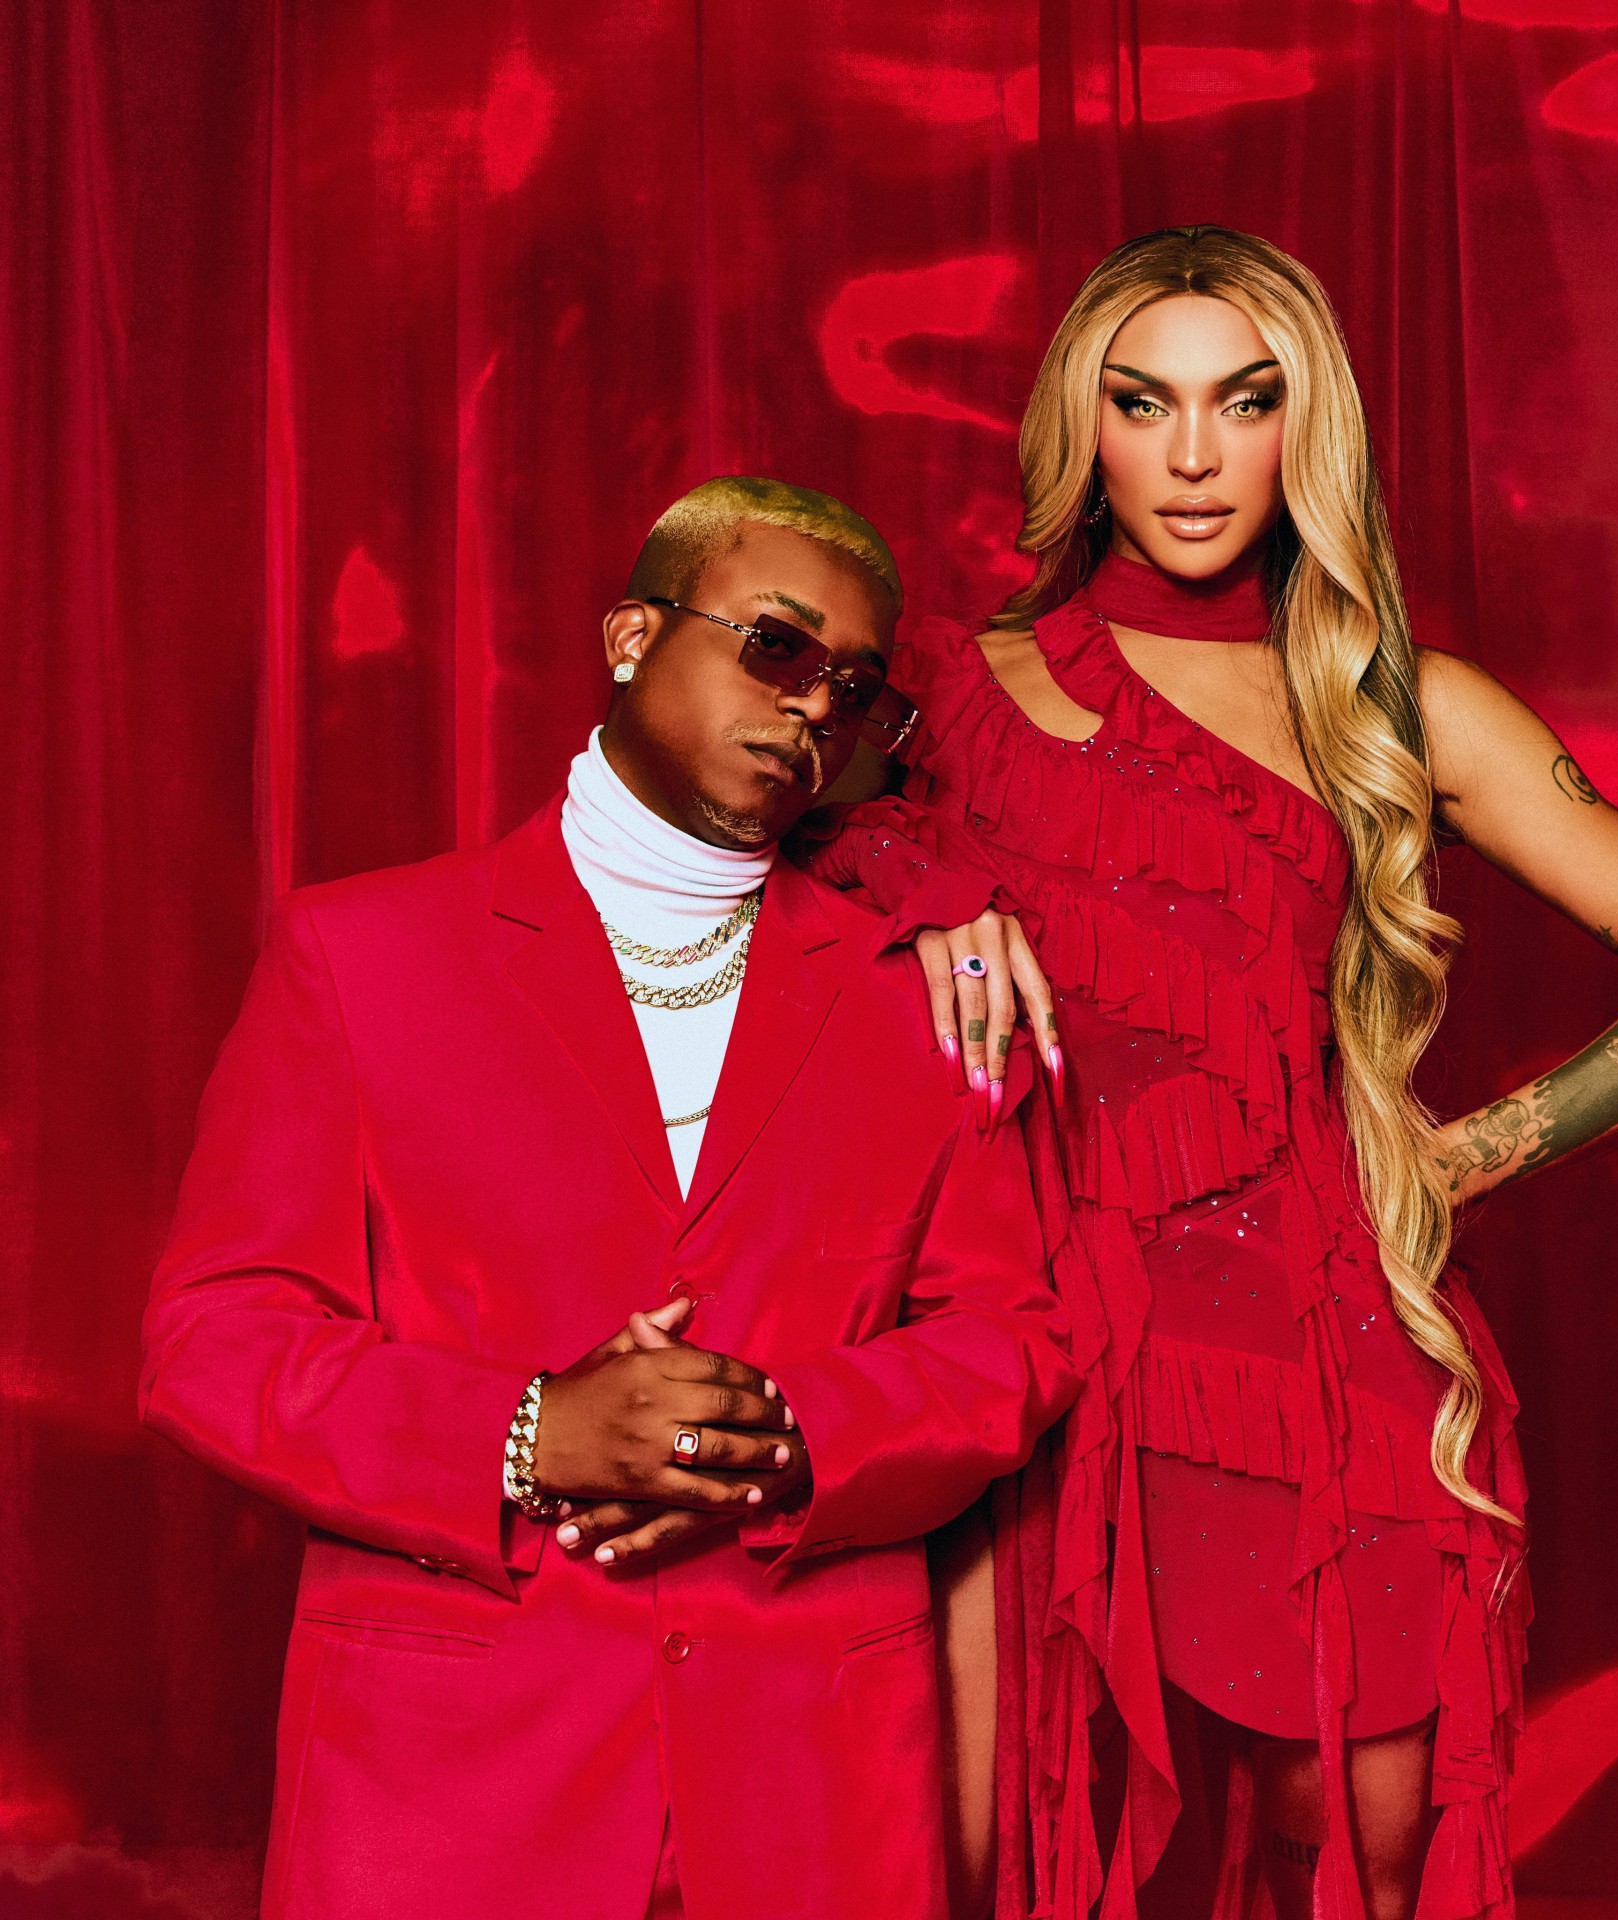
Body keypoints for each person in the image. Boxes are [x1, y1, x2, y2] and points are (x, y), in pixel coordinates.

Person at [789, 228, 1618, 1920]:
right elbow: (728, 889)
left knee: (1357, 1858)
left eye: (1244, 403)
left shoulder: (1400, 706)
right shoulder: (944, 697)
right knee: (994, 1854)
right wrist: (926, 882)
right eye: (1144, 403)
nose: (1193, 455)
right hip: (1032, 1342)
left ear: (1304, 426)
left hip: (1325, 1365)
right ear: (1081, 427)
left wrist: (1442, 1167)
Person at [138, 476, 1079, 1920]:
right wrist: (527, 1433)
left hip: (811, 1782)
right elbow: (212, 1343)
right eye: (776, 644)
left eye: (855, 687)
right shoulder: (359, 955)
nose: (813, 703)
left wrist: (798, 1436)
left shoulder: (921, 991)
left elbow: (1016, 1337)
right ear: (633, 636)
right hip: (444, 1782)